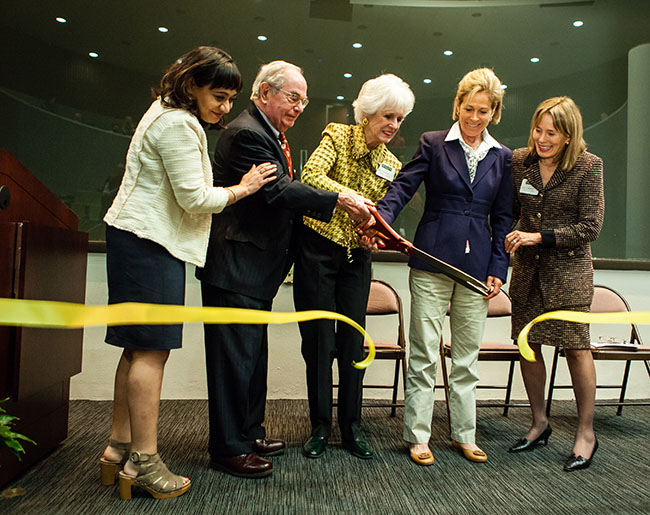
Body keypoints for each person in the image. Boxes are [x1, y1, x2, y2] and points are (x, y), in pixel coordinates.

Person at [101, 46, 276, 500]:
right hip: (148, 244)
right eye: (217, 96)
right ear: (191, 85)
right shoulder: (178, 123)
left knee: (135, 348)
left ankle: (118, 449)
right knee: (151, 353)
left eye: (230, 99)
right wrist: (244, 187)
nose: (224, 107)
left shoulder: (162, 112)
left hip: (137, 239)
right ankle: (144, 461)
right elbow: (195, 199)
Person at [196, 60, 371, 478]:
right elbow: (276, 192)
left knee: (252, 357)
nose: (299, 107)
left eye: (304, 100)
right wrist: (339, 200)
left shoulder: (269, 134)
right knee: (233, 361)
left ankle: (250, 432)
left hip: (256, 269)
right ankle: (229, 447)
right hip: (235, 265)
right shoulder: (247, 134)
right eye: (293, 98)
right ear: (265, 93)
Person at [370, 68, 512, 466]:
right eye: (469, 108)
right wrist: (379, 218)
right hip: (431, 260)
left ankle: (465, 434)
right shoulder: (433, 143)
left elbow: (503, 218)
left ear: (494, 112)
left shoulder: (502, 157)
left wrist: (499, 266)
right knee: (424, 353)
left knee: (466, 358)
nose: (475, 118)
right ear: (457, 106)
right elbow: (402, 186)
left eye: (484, 111)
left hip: (477, 269)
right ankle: (419, 436)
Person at [294, 74, 415, 460]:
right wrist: (345, 198)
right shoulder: (337, 136)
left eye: (399, 119)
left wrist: (373, 234)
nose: (394, 125)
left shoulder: (390, 162)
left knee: (351, 344)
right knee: (318, 342)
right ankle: (319, 426)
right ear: (367, 113)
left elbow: (377, 215)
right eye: (387, 116)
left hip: (356, 260)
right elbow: (310, 176)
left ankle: (351, 426)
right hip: (317, 251)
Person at [505, 96, 604, 472]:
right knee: (528, 345)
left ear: (568, 135)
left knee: (577, 349)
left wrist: (536, 237)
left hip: (569, 274)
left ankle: (585, 434)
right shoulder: (519, 162)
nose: (542, 139)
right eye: (538, 130)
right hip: (528, 272)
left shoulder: (588, 167)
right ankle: (539, 423)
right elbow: (509, 212)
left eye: (552, 133)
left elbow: (590, 227)